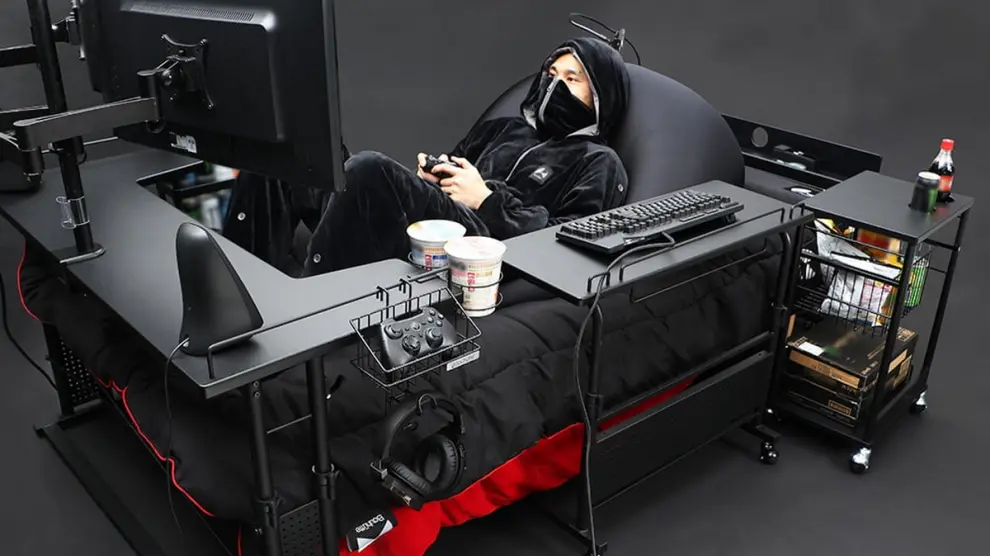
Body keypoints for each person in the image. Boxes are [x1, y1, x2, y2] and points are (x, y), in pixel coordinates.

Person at [297, 36, 630, 275]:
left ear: (601, 96)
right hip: (439, 228)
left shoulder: (598, 161)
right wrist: (435, 176)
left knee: (368, 168)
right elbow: (456, 167)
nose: (554, 86)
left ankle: (309, 305)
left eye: (571, 79)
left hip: (485, 250)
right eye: (551, 75)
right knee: (309, 149)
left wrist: (486, 201)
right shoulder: (504, 129)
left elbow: (567, 243)